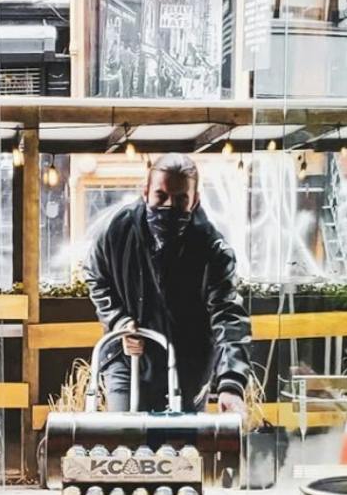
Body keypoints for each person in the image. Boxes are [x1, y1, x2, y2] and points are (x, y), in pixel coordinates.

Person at [85, 152, 250, 414]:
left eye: (180, 198)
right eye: (161, 196)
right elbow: (96, 275)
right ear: (145, 192)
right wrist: (119, 321)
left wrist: (231, 383)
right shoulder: (117, 230)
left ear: (194, 200)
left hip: (187, 366)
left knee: (180, 447)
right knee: (125, 441)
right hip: (126, 361)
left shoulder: (212, 249)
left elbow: (227, 314)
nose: (168, 206)